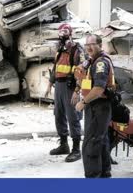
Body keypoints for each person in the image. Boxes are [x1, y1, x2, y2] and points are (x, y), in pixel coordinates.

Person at [74, 34, 116, 178]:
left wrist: (83, 102)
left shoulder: (100, 63)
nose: (89, 47)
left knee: (91, 144)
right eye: (86, 45)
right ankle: (104, 174)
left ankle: (93, 178)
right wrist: (76, 91)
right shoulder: (91, 61)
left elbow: (98, 89)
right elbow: (85, 81)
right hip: (95, 106)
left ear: (100, 45)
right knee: (101, 140)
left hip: (98, 106)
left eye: (92, 44)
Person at [44, 23, 85, 162]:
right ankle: (63, 145)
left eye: (65, 32)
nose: (62, 35)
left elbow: (80, 71)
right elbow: (55, 67)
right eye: (60, 32)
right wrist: (50, 83)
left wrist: (77, 90)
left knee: (73, 117)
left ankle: (76, 149)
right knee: (59, 115)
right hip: (59, 87)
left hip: (70, 87)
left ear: (70, 34)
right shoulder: (59, 50)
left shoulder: (76, 49)